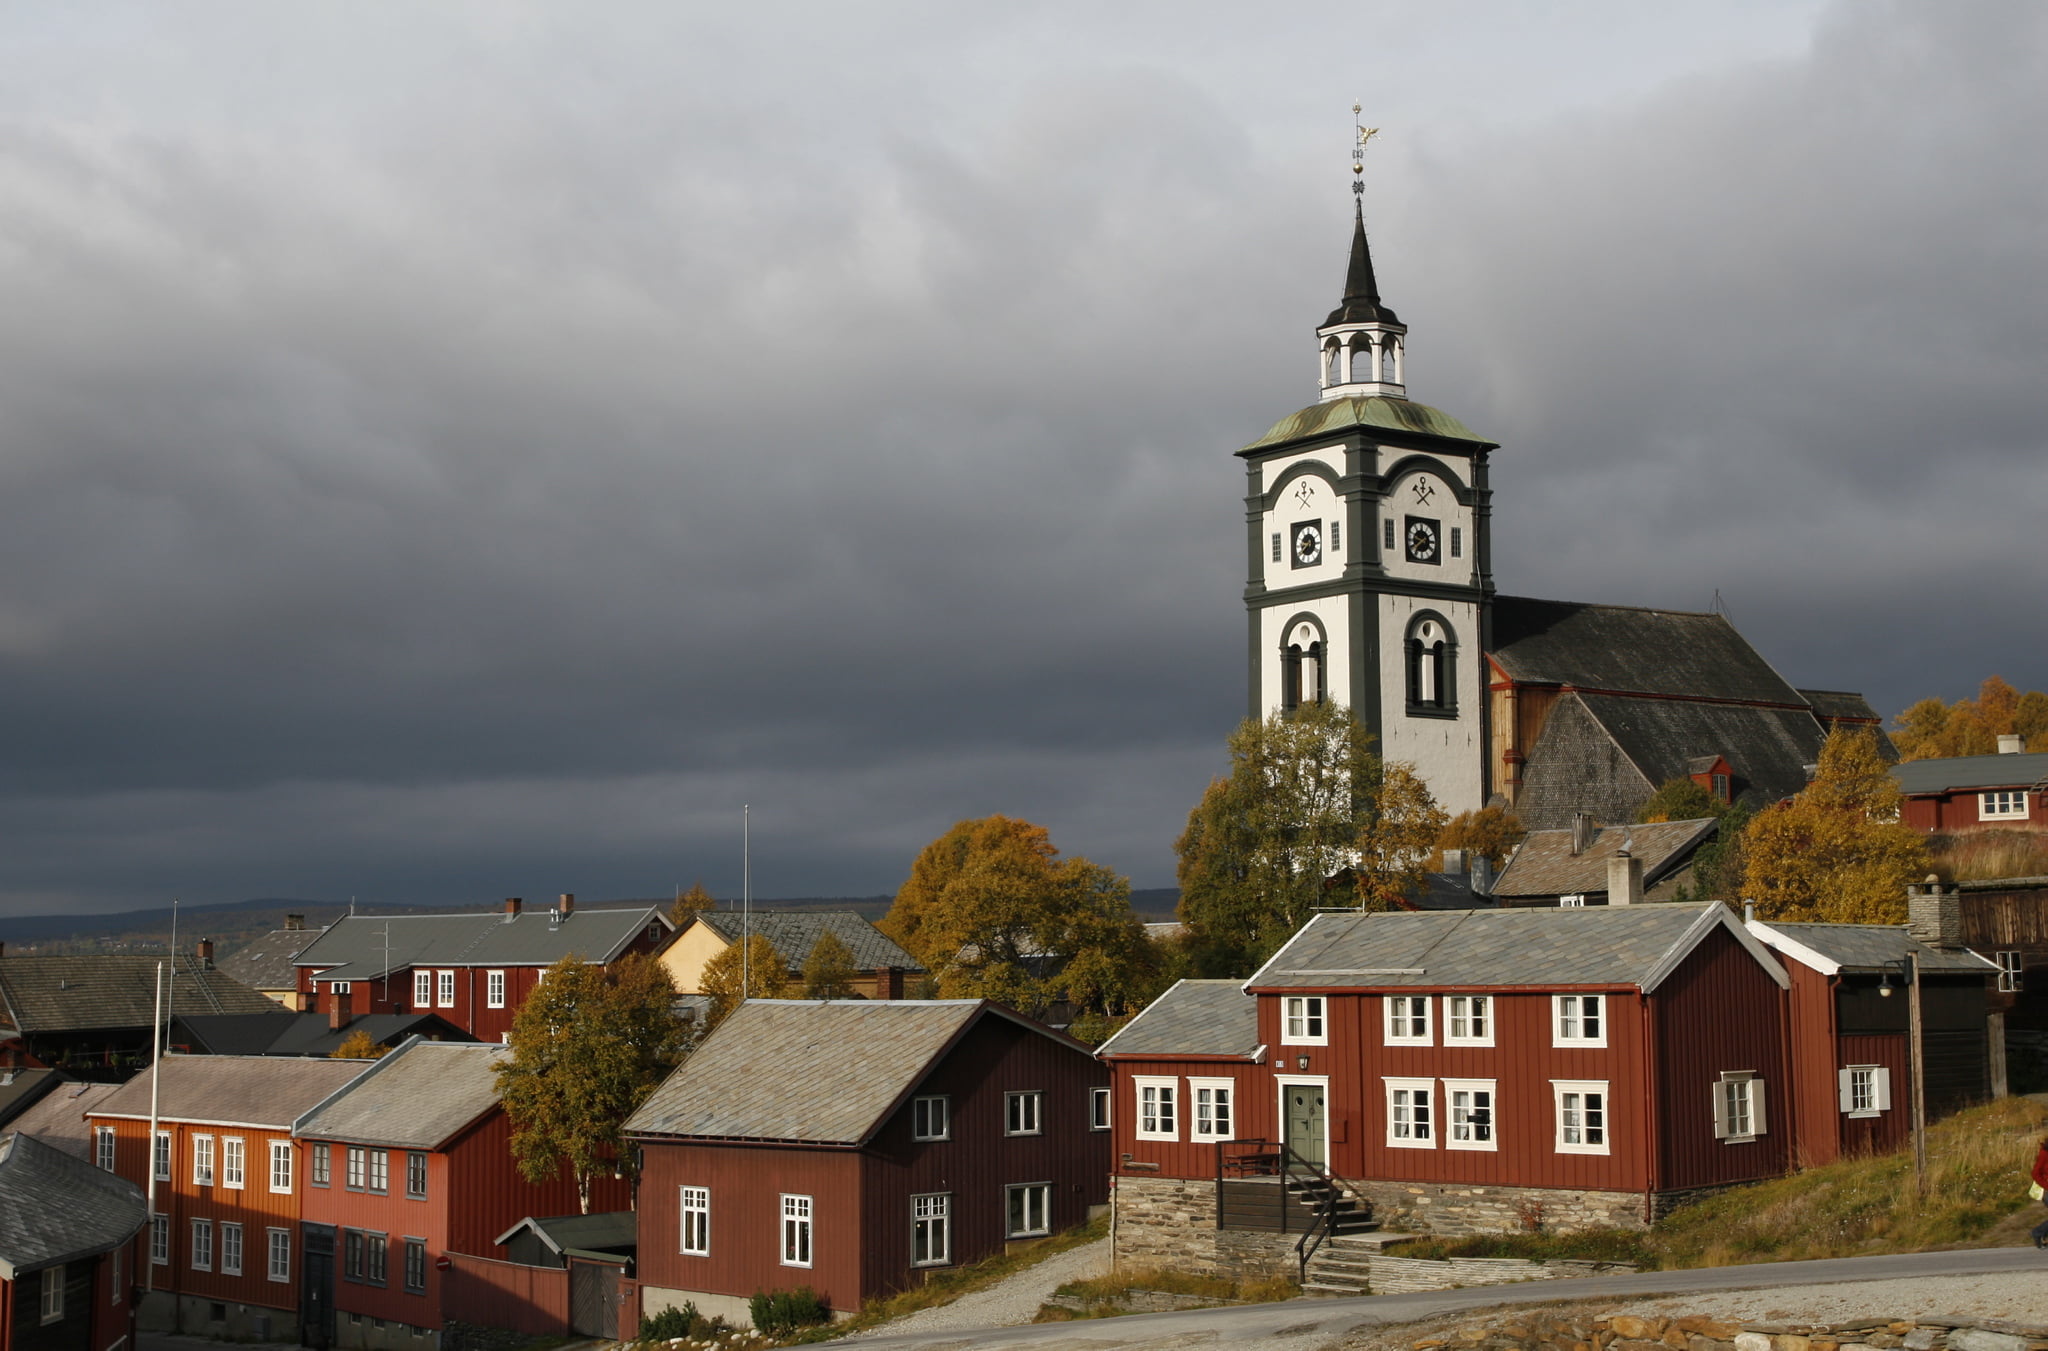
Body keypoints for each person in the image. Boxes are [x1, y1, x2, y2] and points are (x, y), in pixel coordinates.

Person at [2032, 1136, 2048, 1249]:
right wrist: (2046, 1186)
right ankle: (2037, 1232)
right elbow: (2035, 1173)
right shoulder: (2044, 1154)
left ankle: (2039, 1233)